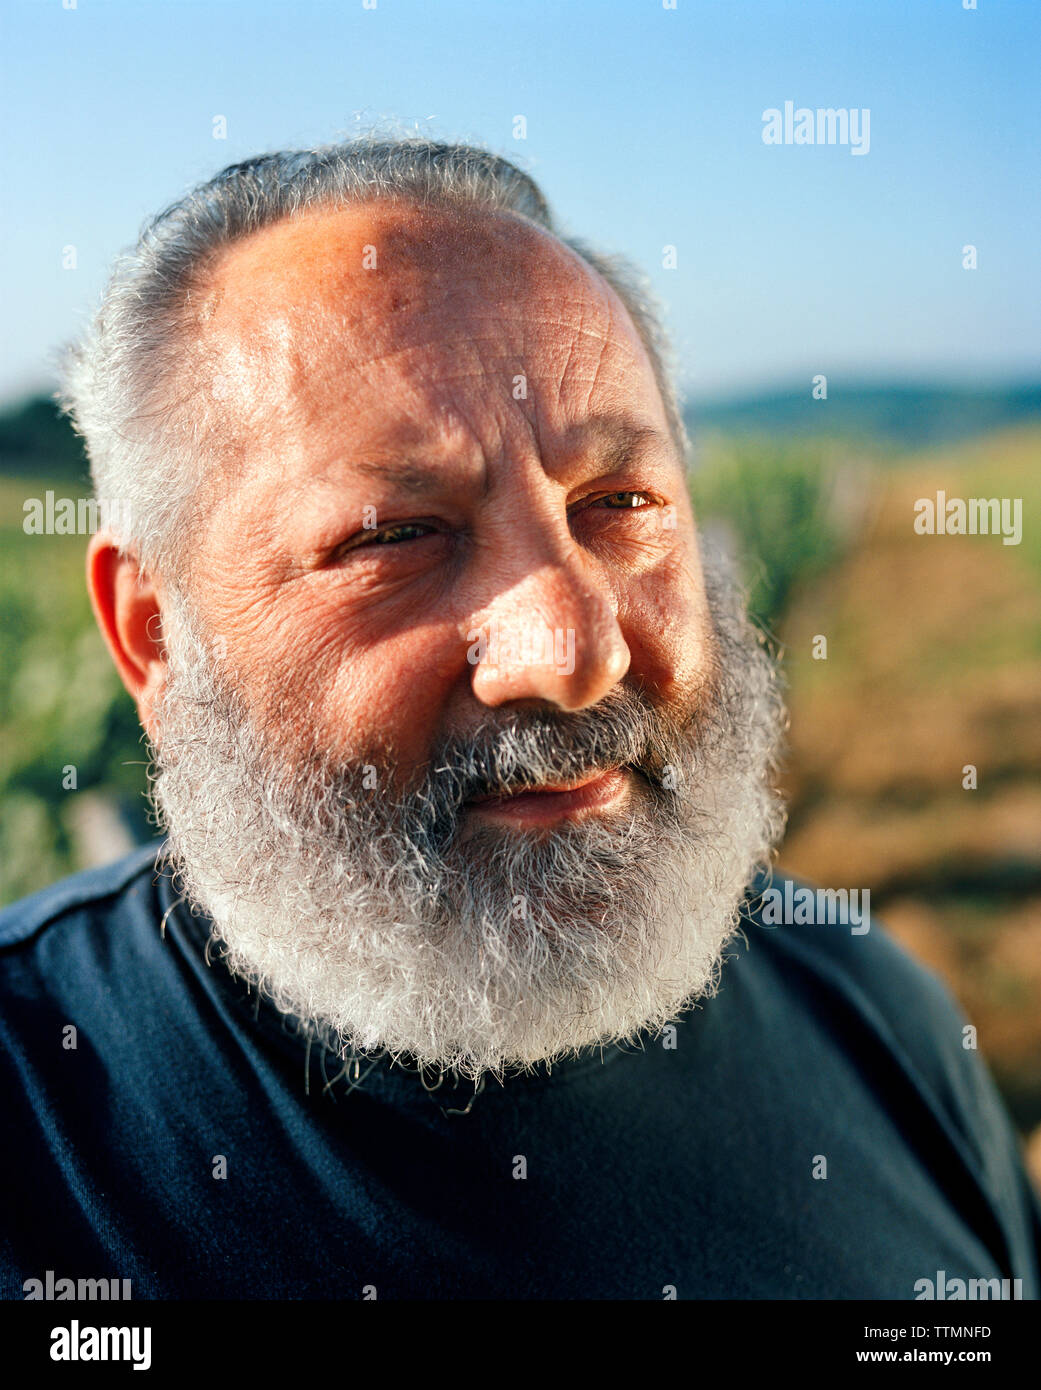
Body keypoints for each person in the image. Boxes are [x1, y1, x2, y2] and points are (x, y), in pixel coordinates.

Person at [2, 139, 1038, 1300]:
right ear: (153, 633)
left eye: (619, 504)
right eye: (396, 535)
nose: (576, 653)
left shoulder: (873, 1012)